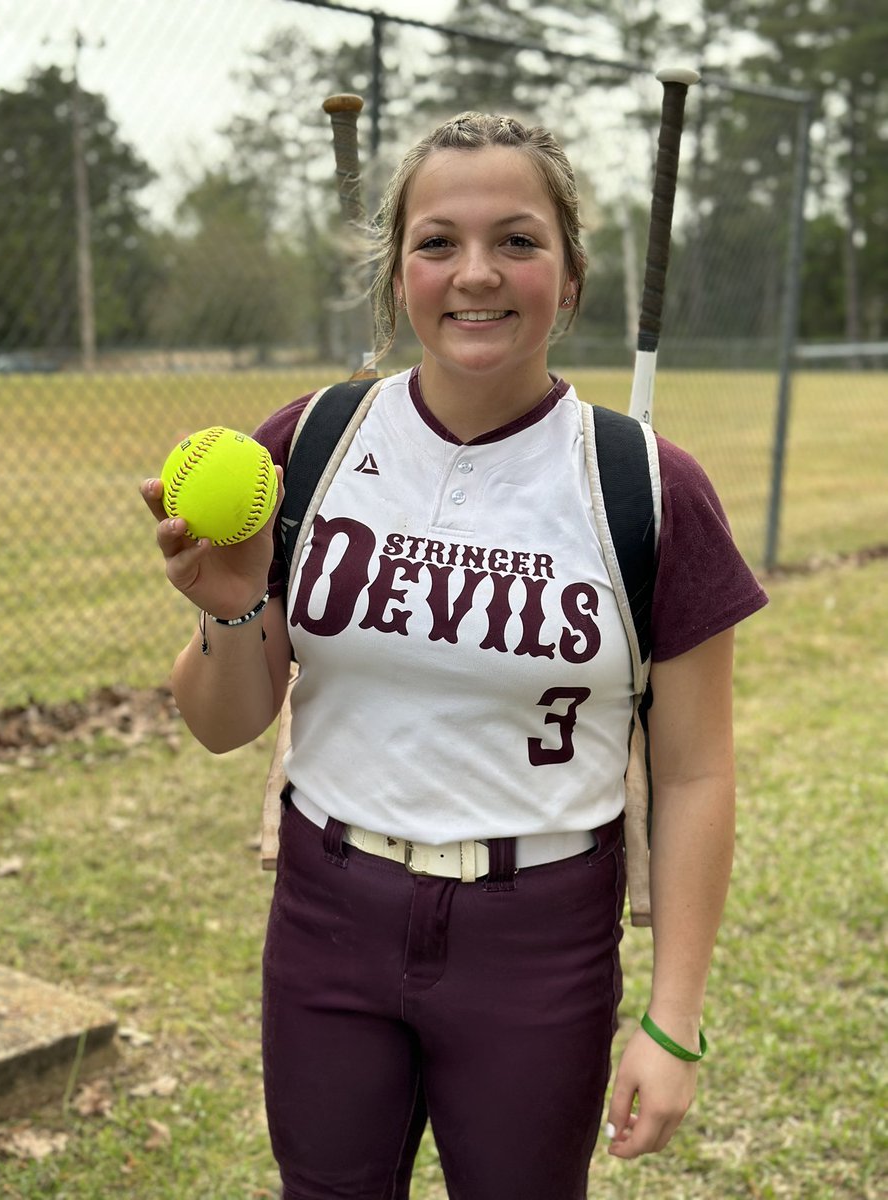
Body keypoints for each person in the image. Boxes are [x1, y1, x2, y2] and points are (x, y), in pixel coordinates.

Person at [142, 112, 767, 1200]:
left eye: (518, 241)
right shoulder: (312, 445)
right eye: (437, 243)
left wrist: (673, 1024)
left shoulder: (648, 485)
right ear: (398, 278)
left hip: (540, 934)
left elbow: (699, 772)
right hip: (329, 911)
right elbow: (221, 721)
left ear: (569, 280)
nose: (476, 273)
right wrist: (235, 609)